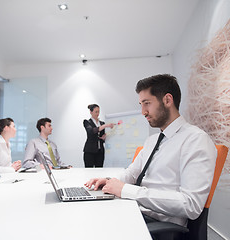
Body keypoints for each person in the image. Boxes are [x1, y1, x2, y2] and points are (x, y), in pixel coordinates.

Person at [85, 74, 217, 228]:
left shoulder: (195, 140)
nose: (143, 112)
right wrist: (108, 181)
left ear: (167, 100)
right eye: (141, 104)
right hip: (134, 210)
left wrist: (127, 190)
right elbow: (131, 174)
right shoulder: (152, 141)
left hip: (158, 226)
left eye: (147, 103)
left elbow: (191, 205)